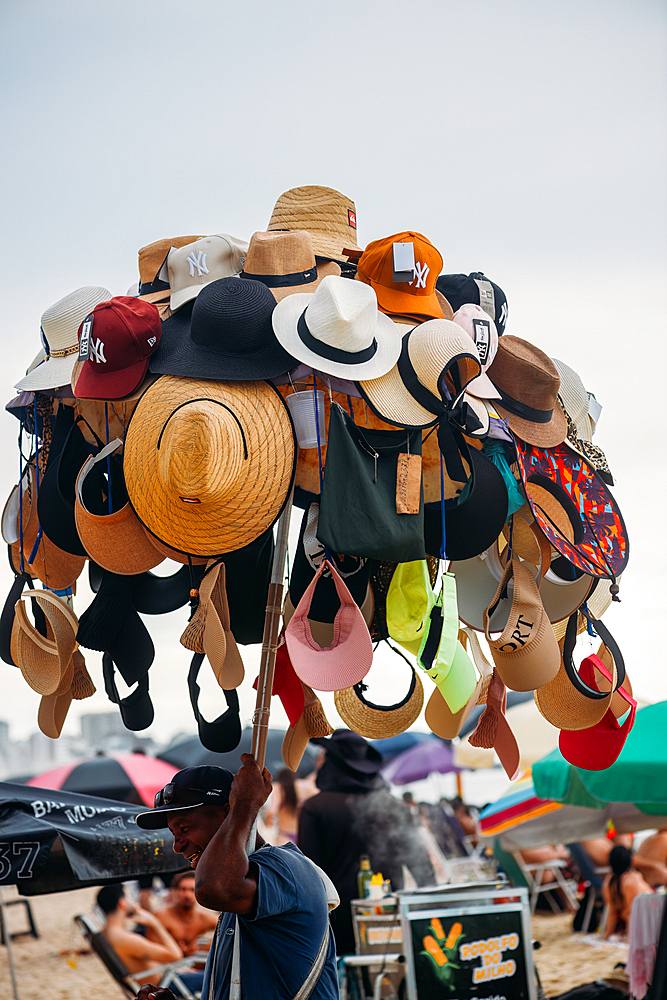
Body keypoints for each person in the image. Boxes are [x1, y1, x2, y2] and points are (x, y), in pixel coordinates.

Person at [133, 755, 339, 1000]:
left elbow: (212, 890)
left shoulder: (284, 868)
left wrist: (245, 805)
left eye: (184, 829)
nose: (177, 846)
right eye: (174, 833)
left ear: (227, 813)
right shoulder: (240, 881)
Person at [298, 730, 434, 957]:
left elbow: (309, 876)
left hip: (336, 923)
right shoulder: (395, 806)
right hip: (390, 917)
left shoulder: (315, 808)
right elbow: (422, 868)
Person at [96, 883, 203, 995]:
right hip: (168, 984)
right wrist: (155, 923)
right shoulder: (124, 939)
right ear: (122, 903)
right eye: (129, 897)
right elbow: (176, 955)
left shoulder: (106, 934)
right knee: (217, 976)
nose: (133, 902)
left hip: (165, 977)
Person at [155, 871, 218, 956]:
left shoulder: (204, 918)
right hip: (168, 962)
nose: (187, 895)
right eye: (183, 889)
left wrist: (202, 945)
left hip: (195, 963)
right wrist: (174, 949)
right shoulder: (161, 917)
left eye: (192, 890)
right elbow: (153, 950)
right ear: (175, 891)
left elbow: (227, 927)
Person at [602, 845, 654, 939]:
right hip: (648, 916)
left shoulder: (611, 882)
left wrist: (629, 938)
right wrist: (607, 935)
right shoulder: (631, 878)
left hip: (647, 917)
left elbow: (629, 913)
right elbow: (615, 911)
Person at [264, 767, 300, 845]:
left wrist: (268, 822)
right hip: (301, 835)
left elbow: (272, 811)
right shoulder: (301, 787)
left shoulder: (278, 788)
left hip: (284, 835)